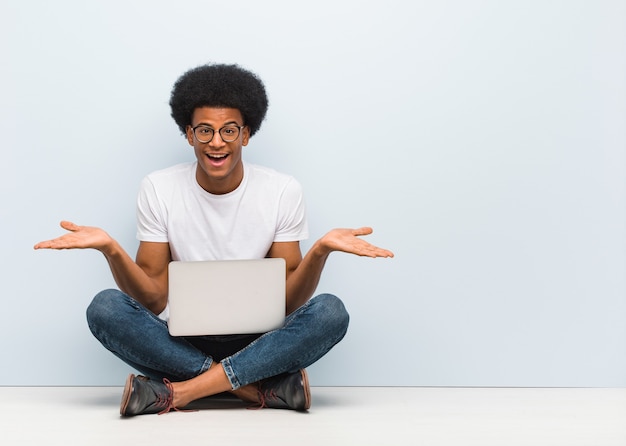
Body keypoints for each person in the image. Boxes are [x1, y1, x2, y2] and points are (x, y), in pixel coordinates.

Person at [34, 63, 394, 417]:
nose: (217, 143)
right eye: (204, 131)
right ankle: (255, 389)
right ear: (189, 135)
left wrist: (320, 252)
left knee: (330, 311)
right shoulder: (159, 188)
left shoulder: (282, 190)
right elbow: (154, 297)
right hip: (181, 340)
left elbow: (287, 302)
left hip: (260, 341)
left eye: (229, 131)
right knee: (105, 308)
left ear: (246, 134)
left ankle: (183, 391)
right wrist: (110, 250)